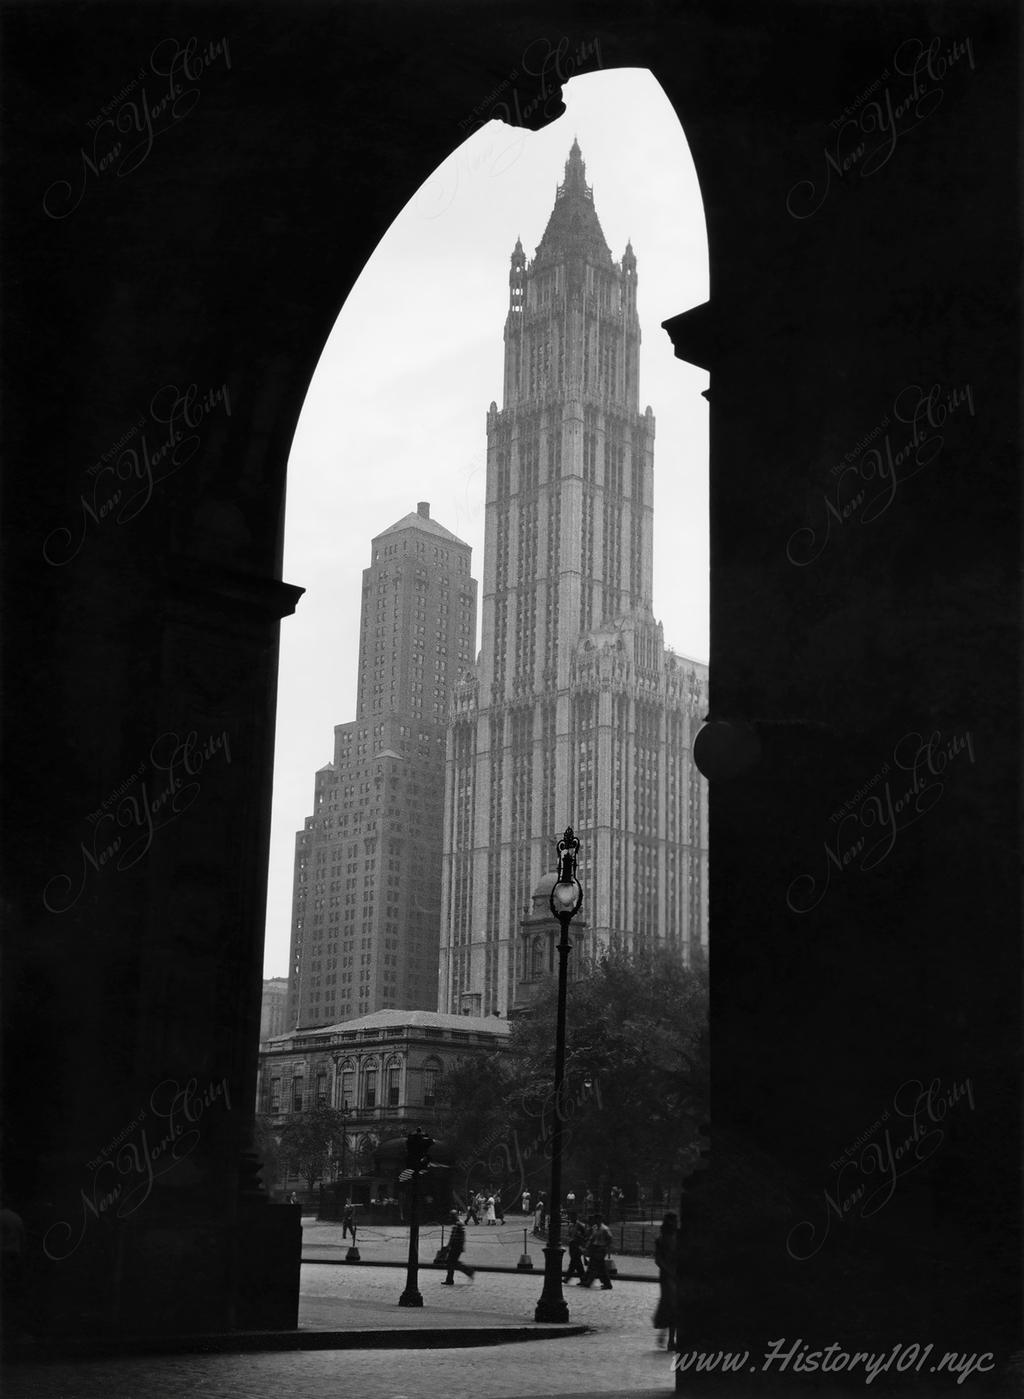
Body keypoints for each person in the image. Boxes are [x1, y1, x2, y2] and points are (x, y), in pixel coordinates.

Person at [654, 1211, 678, 1348]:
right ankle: (668, 1338)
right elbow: (658, 1259)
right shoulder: (661, 1239)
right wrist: (669, 1271)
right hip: (668, 1276)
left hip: (674, 1275)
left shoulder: (677, 1237)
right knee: (671, 1305)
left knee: (672, 1306)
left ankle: (668, 1338)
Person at [441, 1210, 475, 1284]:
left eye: (451, 1216)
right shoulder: (460, 1222)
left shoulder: (457, 1224)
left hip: (456, 1246)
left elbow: (453, 1237)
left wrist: (448, 1246)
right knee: (453, 1262)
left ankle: (468, 1271)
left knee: (451, 1262)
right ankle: (451, 1278)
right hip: (458, 1246)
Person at [582, 1214, 614, 1289]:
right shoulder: (595, 1228)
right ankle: (607, 1283)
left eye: (596, 1219)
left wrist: (606, 1247)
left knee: (594, 1266)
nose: (595, 1221)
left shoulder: (604, 1229)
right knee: (600, 1267)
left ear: (600, 1219)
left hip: (601, 1248)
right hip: (595, 1248)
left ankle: (589, 1281)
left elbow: (610, 1238)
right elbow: (591, 1238)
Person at [562, 1212, 588, 1285]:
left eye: (573, 1217)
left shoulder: (580, 1225)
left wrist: (581, 1242)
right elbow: (569, 1234)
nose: (571, 1219)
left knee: (575, 1261)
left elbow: (585, 1235)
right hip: (572, 1244)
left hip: (578, 1245)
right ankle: (583, 1278)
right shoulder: (571, 1225)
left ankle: (568, 1278)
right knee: (575, 1262)